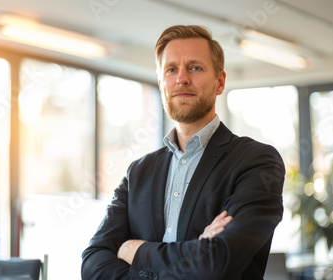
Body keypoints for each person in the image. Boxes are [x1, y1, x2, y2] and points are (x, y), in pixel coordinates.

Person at [82, 25, 285, 280]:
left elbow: (216, 262)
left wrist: (137, 251)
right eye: (171, 70)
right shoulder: (139, 172)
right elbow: (92, 263)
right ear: (161, 83)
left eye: (195, 67)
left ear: (220, 82)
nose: (182, 79)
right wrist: (194, 251)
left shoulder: (257, 162)